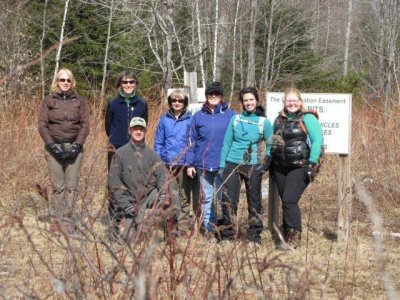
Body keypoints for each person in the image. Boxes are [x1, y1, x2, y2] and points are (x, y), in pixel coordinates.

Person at [108, 117, 179, 242]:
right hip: (129, 201)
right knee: (129, 240)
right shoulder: (120, 153)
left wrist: (163, 192)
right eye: (135, 129)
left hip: (148, 196)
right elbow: (113, 182)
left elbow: (162, 175)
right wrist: (125, 204)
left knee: (173, 195)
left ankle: (171, 232)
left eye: (141, 129)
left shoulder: (152, 154)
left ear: (145, 131)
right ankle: (128, 226)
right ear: (129, 130)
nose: (138, 132)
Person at [269, 87, 323, 249]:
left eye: (294, 100)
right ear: (284, 103)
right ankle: (287, 234)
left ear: (300, 102)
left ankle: (295, 236)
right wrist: (270, 162)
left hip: (299, 166)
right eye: (288, 100)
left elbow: (317, 142)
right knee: (286, 202)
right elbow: (274, 142)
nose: (291, 103)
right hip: (280, 167)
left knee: (289, 200)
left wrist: (311, 164)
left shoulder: (308, 119)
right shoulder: (278, 120)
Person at [38, 68, 90, 233]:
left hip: (74, 147)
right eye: (62, 80)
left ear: (72, 82)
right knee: (58, 186)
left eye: (68, 80)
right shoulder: (48, 101)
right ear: (57, 82)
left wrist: (77, 145)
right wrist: (52, 145)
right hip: (54, 147)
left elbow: (85, 125)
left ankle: (68, 219)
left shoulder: (80, 101)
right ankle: (57, 220)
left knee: (72, 186)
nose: (65, 83)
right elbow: (42, 125)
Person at [219, 87, 272, 243]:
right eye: (245, 100)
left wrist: (265, 164)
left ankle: (254, 237)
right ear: (241, 102)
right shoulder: (235, 119)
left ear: (256, 100)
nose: (248, 103)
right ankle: (228, 235)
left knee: (254, 202)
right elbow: (227, 142)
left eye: (251, 100)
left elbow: (270, 145)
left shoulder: (264, 122)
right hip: (232, 164)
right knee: (229, 200)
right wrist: (222, 166)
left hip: (253, 165)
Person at [186, 82, 235, 233]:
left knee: (224, 199)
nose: (213, 96)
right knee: (206, 200)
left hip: (223, 165)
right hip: (203, 164)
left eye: (217, 94)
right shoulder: (198, 116)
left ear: (221, 97)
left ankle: (227, 230)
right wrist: (190, 163)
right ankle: (210, 230)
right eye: (210, 94)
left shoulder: (231, 115)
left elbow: (237, 139)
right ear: (206, 96)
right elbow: (191, 141)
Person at [154, 89, 198, 234]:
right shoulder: (164, 119)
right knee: (171, 196)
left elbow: (193, 143)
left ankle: (183, 228)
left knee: (184, 197)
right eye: (174, 100)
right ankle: (171, 226)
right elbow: (158, 143)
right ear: (170, 102)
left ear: (184, 102)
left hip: (184, 165)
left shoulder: (191, 119)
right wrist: (160, 161)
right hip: (168, 165)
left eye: (180, 100)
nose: (177, 103)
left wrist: (190, 163)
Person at [105, 69, 148, 170]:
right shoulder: (113, 102)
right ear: (120, 84)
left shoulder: (142, 103)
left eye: (131, 82)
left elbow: (144, 124)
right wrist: (115, 137)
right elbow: (108, 125)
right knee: (114, 177)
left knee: (133, 178)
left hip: (136, 146)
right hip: (116, 146)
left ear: (135, 83)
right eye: (125, 82)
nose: (128, 85)